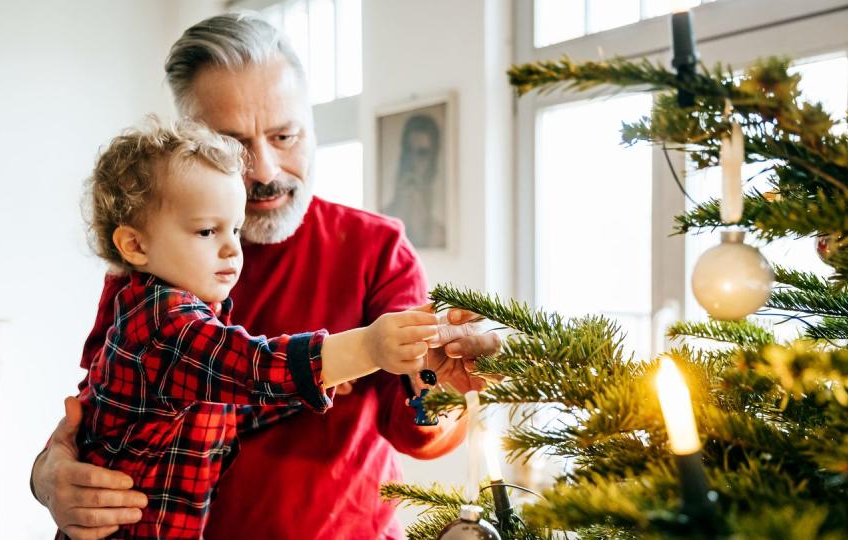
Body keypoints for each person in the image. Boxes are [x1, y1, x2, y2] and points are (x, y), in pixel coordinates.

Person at [31, 11, 501, 540]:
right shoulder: (152, 265)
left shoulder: (375, 247)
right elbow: (108, 405)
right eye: (232, 146)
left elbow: (416, 432)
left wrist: (437, 377)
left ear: (313, 126)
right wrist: (47, 475)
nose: (265, 171)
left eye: (284, 135)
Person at [66, 117, 440, 538]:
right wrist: (367, 347)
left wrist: (319, 383)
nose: (231, 248)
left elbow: (223, 410)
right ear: (135, 245)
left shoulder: (186, 310)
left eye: (235, 229)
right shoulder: (163, 321)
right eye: (207, 230)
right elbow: (253, 368)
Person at [383, 113, 447, 248]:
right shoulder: (382, 218)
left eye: (422, 153)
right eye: (408, 151)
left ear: (432, 160)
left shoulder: (439, 231)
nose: (413, 162)